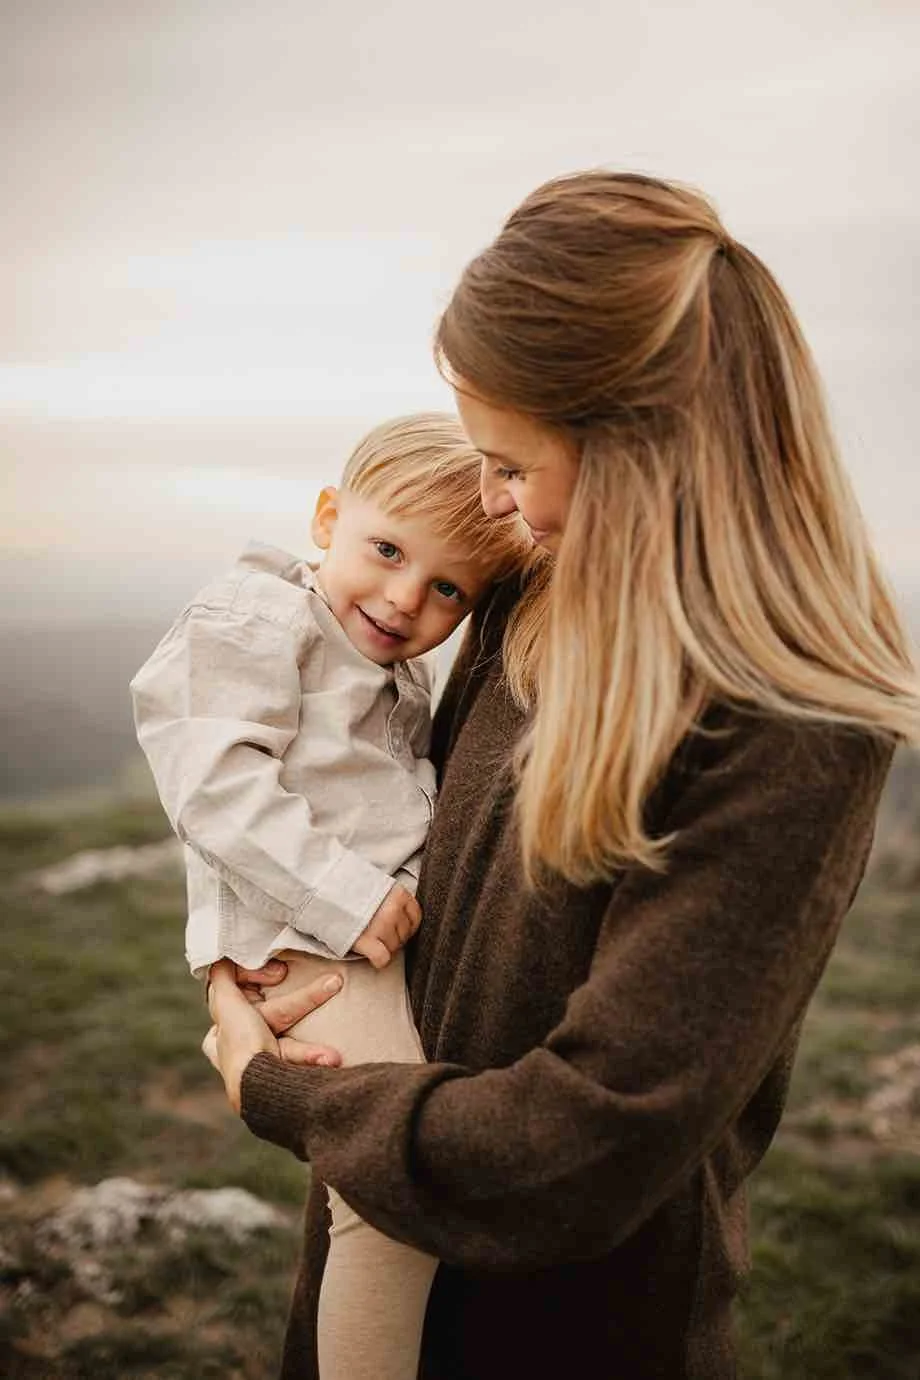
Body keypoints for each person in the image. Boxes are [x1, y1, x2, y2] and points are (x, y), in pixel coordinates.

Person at [203, 172, 920, 1380]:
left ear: (639, 450)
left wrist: (277, 1093)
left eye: (512, 466)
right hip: (389, 1216)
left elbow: (584, 1144)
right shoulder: (535, 596)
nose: (493, 504)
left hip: (577, 1323)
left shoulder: (787, 727)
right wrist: (287, 960)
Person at [130, 412, 529, 1380]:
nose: (402, 599)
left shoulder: (378, 664)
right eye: (385, 550)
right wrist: (351, 897)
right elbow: (210, 780)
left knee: (384, 1186)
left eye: (445, 588)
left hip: (344, 937)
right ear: (326, 517)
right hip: (309, 944)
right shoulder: (259, 616)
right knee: (388, 1200)